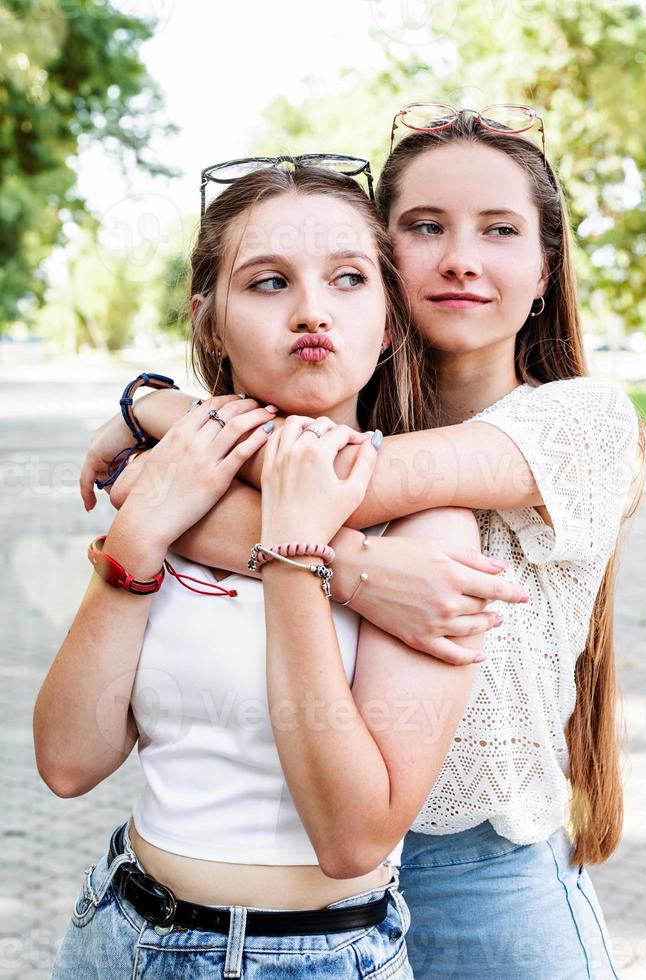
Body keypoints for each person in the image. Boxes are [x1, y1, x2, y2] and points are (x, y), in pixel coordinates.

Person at [80, 106, 644, 979]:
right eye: (425, 227)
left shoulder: (581, 421)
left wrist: (154, 421)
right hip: (310, 884)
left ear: (544, 272)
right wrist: (369, 574)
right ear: (383, 265)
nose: (461, 256)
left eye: (500, 231)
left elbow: (332, 482)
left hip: (483, 884)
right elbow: (271, 501)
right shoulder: (328, 402)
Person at [35, 161, 521, 979]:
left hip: (317, 957)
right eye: (267, 282)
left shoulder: (427, 531)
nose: (311, 312)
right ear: (211, 323)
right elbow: (68, 763)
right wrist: (143, 530)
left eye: (347, 280)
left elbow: (352, 837)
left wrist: (297, 557)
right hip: (117, 931)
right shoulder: (175, 487)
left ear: (390, 322)